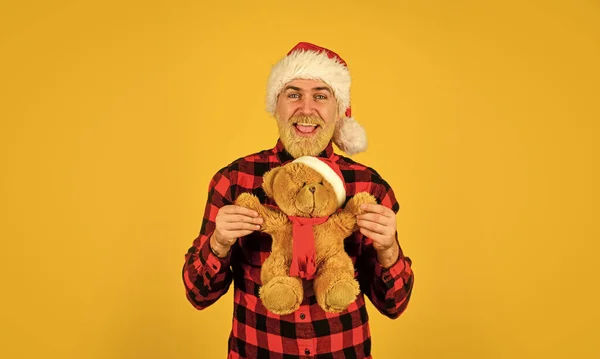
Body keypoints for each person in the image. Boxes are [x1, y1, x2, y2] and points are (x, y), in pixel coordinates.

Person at [182, 42, 414, 359]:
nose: (306, 109)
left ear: (338, 109)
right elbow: (198, 295)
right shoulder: (236, 181)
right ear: (276, 104)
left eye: (320, 95)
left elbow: (395, 305)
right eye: (293, 94)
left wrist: (389, 250)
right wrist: (219, 243)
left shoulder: (368, 187)